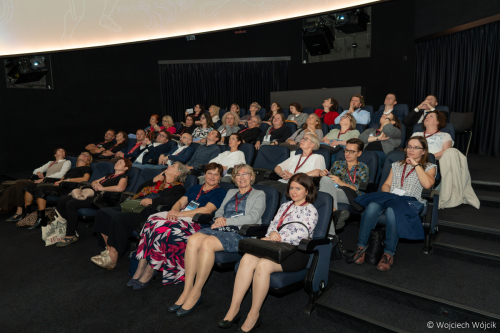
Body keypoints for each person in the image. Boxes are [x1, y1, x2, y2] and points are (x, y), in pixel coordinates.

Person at [220, 173, 318, 331]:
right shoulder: (285, 205)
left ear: (307, 191)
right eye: (291, 188)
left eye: (298, 189)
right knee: (247, 258)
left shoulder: (311, 210)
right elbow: (273, 224)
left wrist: (277, 237)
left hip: (295, 252)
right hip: (274, 246)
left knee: (264, 265)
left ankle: (253, 314)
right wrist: (272, 234)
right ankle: (234, 308)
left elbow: (302, 234)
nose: (294, 192)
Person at [171, 164, 266, 316]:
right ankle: (187, 289)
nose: (242, 177)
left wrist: (226, 221)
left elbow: (253, 217)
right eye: (238, 175)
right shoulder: (231, 192)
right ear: (234, 178)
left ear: (252, 176)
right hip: (221, 227)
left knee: (207, 243)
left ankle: (196, 292)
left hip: (241, 232)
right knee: (193, 239)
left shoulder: (259, 194)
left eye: (245, 174)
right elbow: (219, 211)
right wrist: (220, 218)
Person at [130, 163, 226, 286]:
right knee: (151, 221)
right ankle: (141, 265)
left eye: (216, 174)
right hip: (181, 216)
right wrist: (174, 211)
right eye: (209, 173)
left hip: (196, 221)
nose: (212, 177)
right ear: (204, 174)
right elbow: (180, 202)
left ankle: (150, 269)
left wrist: (180, 215)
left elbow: (207, 209)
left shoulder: (220, 192)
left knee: (163, 229)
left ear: (220, 177)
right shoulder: (196, 188)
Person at [353, 136, 436, 271]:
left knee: (392, 210)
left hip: (411, 202)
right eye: (409, 146)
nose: (411, 150)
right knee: (372, 205)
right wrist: (388, 195)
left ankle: (389, 253)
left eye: (416, 147)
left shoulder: (429, 167)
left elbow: (427, 184)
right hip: (392, 198)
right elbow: (386, 184)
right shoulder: (397, 165)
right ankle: (361, 247)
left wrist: (416, 165)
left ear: (423, 151)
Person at [91, 162, 189, 269]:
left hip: (147, 212)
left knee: (118, 218)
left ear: (177, 173)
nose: (169, 166)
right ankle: (109, 249)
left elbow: (173, 200)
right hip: (135, 206)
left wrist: (153, 201)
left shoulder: (179, 188)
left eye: (172, 166)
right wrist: (152, 180)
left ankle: (113, 258)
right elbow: (139, 191)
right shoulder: (158, 182)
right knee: (102, 213)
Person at [55, 157, 132, 247]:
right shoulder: (109, 175)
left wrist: (102, 188)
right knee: (61, 200)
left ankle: (70, 235)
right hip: (94, 195)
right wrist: (95, 184)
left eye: (120, 163)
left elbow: (120, 188)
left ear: (125, 168)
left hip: (104, 200)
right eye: (117, 162)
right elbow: (94, 181)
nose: (117, 163)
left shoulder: (124, 176)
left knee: (71, 203)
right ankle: (68, 226)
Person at [21, 152, 93, 229]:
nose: (84, 155)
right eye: (82, 153)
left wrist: (67, 180)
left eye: (87, 155)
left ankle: (41, 218)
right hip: (62, 186)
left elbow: (85, 179)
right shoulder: (72, 170)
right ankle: (27, 214)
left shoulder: (86, 168)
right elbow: (62, 179)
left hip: (70, 188)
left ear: (88, 161)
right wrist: (55, 182)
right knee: (30, 186)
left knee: (41, 188)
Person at [1, 148, 71, 222]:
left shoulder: (66, 162)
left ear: (65, 155)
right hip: (41, 181)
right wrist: (39, 173)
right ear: (55, 154)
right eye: (59, 150)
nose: (61, 151)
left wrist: (44, 179)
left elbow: (61, 174)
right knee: (13, 187)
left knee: (18, 184)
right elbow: (36, 170)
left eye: (63, 151)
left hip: (49, 182)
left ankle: (19, 211)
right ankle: (16, 210)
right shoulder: (51, 162)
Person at [319, 139, 369, 230]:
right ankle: (334, 214)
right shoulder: (337, 164)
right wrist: (323, 174)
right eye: (346, 150)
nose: (347, 154)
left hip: (351, 195)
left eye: (352, 151)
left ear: (359, 153)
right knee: (325, 181)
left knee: (320, 195)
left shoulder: (363, 167)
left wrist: (342, 183)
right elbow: (330, 180)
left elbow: (362, 191)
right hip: (334, 191)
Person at [259, 134, 325, 194]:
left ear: (312, 144)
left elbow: (317, 172)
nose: (302, 140)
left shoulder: (318, 157)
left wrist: (294, 176)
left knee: (273, 188)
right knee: (260, 184)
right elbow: (278, 167)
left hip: (298, 185)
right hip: (285, 181)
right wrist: (281, 173)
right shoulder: (295, 156)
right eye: (302, 138)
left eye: (305, 139)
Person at [359, 113, 402, 180]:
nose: (383, 115)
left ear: (393, 122)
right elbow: (360, 139)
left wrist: (387, 119)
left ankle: (370, 184)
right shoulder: (370, 130)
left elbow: (387, 129)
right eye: (383, 115)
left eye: (387, 116)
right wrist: (377, 138)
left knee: (373, 157)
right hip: (365, 152)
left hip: (382, 154)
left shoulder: (396, 132)